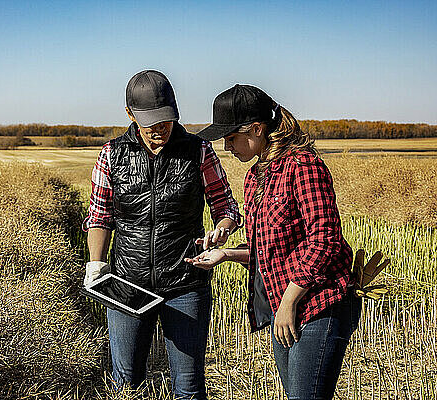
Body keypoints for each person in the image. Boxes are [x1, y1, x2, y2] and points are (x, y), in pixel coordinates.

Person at [185, 84, 361, 400]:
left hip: (320, 303)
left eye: (231, 137)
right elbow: (265, 247)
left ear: (256, 128)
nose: (227, 146)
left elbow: (325, 238)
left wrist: (290, 301)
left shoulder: (302, 164)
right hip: (284, 304)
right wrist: (224, 254)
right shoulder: (255, 177)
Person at [82, 70, 242, 399]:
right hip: (128, 284)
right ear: (130, 114)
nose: (159, 129)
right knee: (125, 383)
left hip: (185, 283)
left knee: (189, 386)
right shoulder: (112, 154)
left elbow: (226, 206)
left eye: (166, 119)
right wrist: (95, 266)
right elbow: (100, 215)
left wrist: (222, 230)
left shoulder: (199, 152)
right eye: (150, 121)